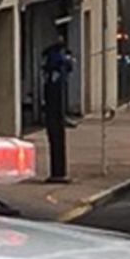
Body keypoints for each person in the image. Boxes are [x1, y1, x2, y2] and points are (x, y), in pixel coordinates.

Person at [42, 35, 75, 183]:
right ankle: (58, 172)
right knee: (56, 135)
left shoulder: (56, 76)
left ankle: (59, 171)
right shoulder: (53, 76)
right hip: (54, 109)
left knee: (57, 136)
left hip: (55, 109)